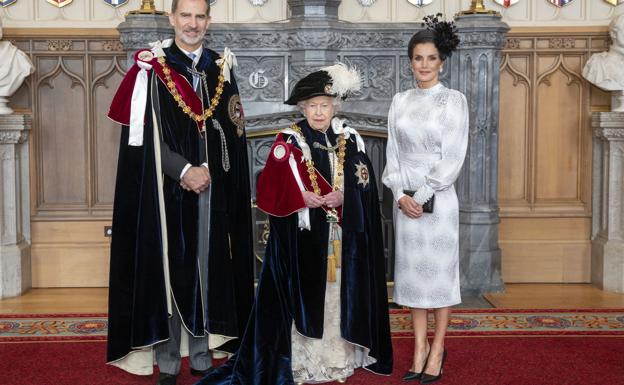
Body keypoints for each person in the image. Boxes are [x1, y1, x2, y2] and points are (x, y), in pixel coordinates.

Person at [197, 63, 393, 385]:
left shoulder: (350, 139)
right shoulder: (288, 141)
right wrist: (301, 196)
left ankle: (336, 358)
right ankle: (303, 361)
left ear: (335, 106)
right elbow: (268, 189)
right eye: (313, 106)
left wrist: (345, 197)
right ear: (303, 107)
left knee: (336, 296)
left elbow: (366, 184)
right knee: (305, 298)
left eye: (325, 106)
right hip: (301, 240)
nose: (319, 112)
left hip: (340, 236)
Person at [105, 0, 254, 384]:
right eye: (185, 15)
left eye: (199, 16)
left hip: (212, 189)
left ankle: (202, 354)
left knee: (208, 267)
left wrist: (210, 174)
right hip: (165, 190)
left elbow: (233, 132)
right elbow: (144, 139)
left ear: (209, 21)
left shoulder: (221, 67)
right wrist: (184, 170)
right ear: (171, 18)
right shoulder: (152, 68)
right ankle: (169, 360)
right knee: (171, 268)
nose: (192, 23)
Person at [382, 14, 467, 384]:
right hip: (407, 205)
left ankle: (438, 349)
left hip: (439, 201)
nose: (425, 65)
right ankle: (418, 348)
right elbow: (392, 155)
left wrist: (424, 193)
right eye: (418, 58)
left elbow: (454, 154)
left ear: (442, 61)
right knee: (413, 281)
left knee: (440, 280)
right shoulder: (400, 100)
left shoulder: (454, 100)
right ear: (411, 61)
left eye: (432, 58)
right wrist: (400, 195)